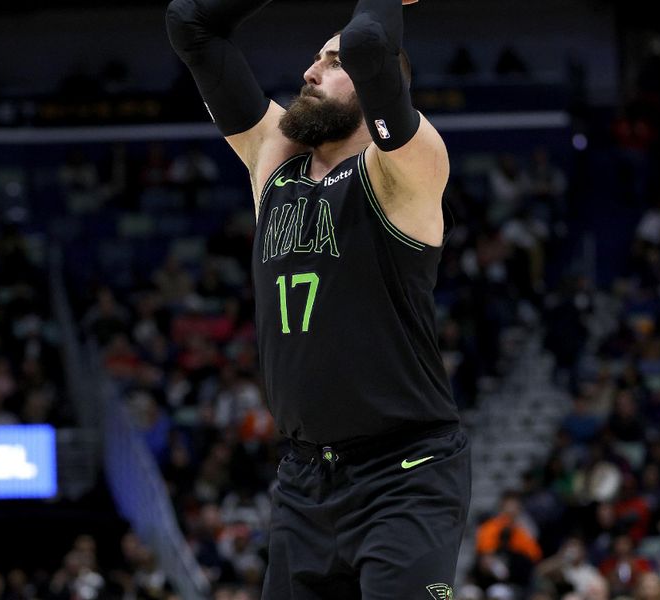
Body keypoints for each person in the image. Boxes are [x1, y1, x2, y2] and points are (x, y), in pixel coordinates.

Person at [166, 0, 471, 598]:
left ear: (377, 87)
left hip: (404, 472)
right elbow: (190, 24)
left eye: (330, 64)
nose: (310, 71)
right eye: (314, 58)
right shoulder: (274, 160)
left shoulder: (405, 168)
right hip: (306, 477)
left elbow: (366, 42)